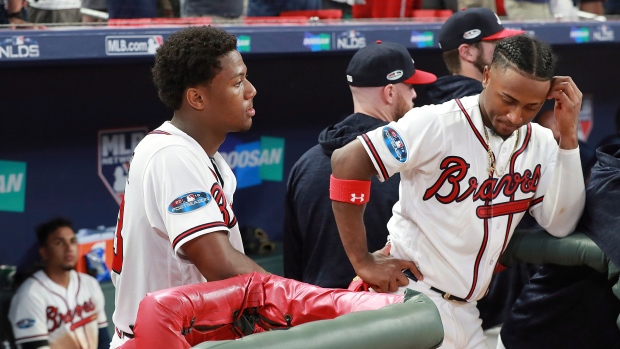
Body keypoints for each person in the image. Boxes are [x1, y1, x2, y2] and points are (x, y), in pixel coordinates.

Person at [330, 34, 585, 348]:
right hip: (412, 302)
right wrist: (361, 260)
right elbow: (347, 160)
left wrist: (569, 136)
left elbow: (561, 224)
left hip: (467, 312)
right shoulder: (436, 122)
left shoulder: (541, 142)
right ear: (487, 75)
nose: (516, 116)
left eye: (531, 106)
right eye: (508, 99)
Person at [109, 26, 267, 349]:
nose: (251, 90)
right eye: (237, 83)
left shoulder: (206, 158)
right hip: (155, 342)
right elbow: (220, 265)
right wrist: (296, 297)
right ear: (196, 98)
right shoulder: (172, 155)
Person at [284, 41, 437, 289]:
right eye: (409, 87)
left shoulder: (304, 165)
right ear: (389, 93)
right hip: (385, 315)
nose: (414, 95)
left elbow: (293, 265)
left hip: (315, 315)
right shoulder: (410, 167)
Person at [8, 217, 110, 349]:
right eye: (59, 243)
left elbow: (103, 340)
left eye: (73, 241)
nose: (69, 248)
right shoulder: (30, 295)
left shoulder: (89, 284)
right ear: (44, 252)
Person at [427, 8, 524, 105]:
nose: (505, 50)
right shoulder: (483, 105)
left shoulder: (439, 98)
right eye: (497, 44)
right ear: (467, 53)